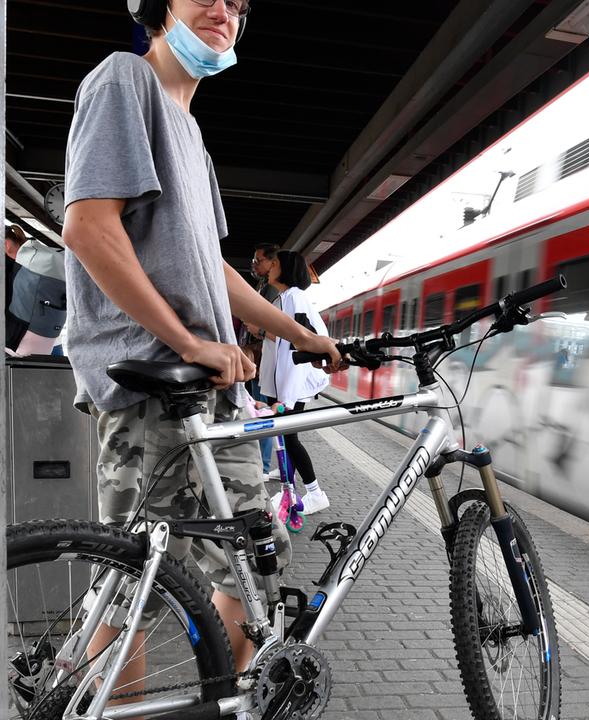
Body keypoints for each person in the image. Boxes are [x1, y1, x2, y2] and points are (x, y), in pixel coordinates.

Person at [61, 0, 342, 688]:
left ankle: (223, 700)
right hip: (149, 380)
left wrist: (302, 333)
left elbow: (212, 267)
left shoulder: (192, 133)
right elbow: (90, 228)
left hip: (213, 393)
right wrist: (190, 339)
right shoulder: (124, 80)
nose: (224, 10)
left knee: (253, 566)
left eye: (238, 4)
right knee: (131, 584)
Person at [261, 250, 331, 514]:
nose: (269, 267)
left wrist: (286, 397)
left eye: (274, 263)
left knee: (289, 438)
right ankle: (288, 492)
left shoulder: (295, 298)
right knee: (284, 438)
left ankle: (315, 492)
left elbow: (298, 347)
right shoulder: (285, 298)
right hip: (283, 385)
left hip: (292, 385)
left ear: (287, 268)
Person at [244, 243, 280, 478]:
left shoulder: (272, 292)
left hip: (260, 360)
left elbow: (273, 329)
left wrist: (257, 330)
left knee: (262, 412)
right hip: (257, 359)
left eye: (259, 260)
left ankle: (263, 466)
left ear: (272, 262)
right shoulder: (264, 286)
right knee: (259, 408)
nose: (255, 264)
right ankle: (263, 465)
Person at [5, 225, 31, 351]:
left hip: (19, 338)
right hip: (49, 333)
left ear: (6, 244)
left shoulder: (10, 267)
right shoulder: (34, 254)